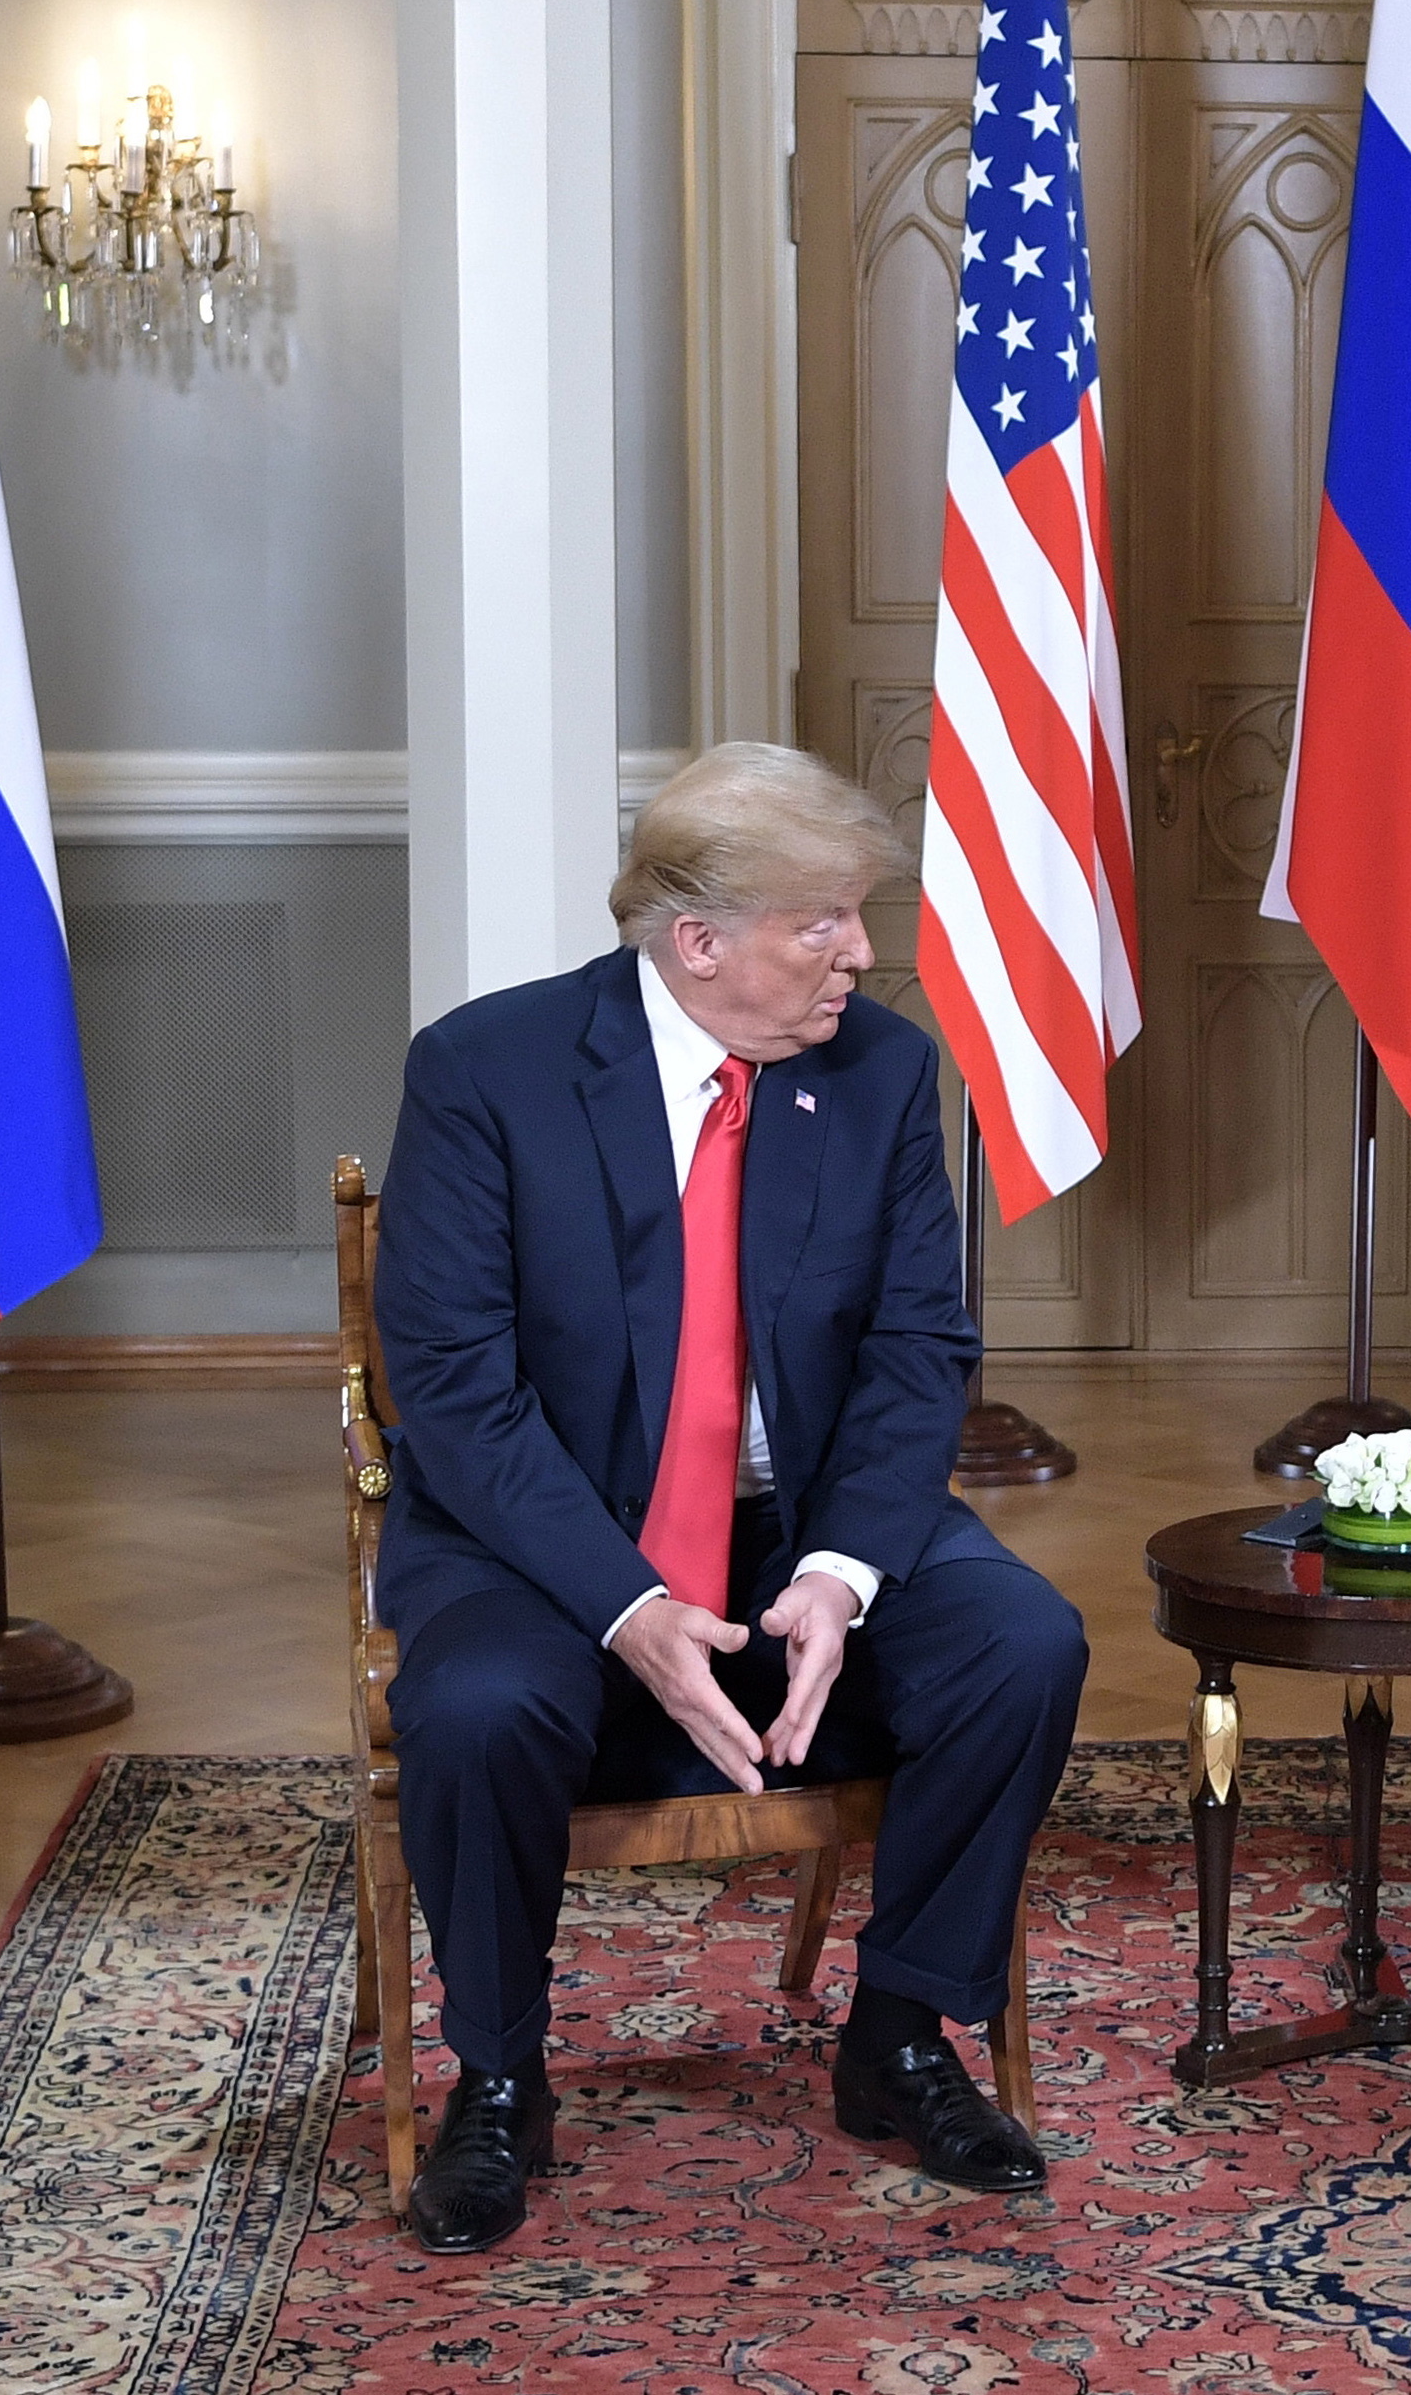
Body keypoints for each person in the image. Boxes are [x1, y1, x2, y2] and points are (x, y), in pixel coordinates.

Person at [372, 743, 1089, 2254]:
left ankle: (898, 2034)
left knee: (1021, 1646)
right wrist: (626, 1604)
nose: (862, 953)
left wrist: (839, 1570)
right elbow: (455, 1393)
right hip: (549, 1534)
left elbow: (918, 1349)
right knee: (481, 1705)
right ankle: (499, 2079)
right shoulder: (487, 1070)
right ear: (697, 940)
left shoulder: (880, 1072)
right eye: (824, 920)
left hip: (796, 1521)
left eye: (859, 916)